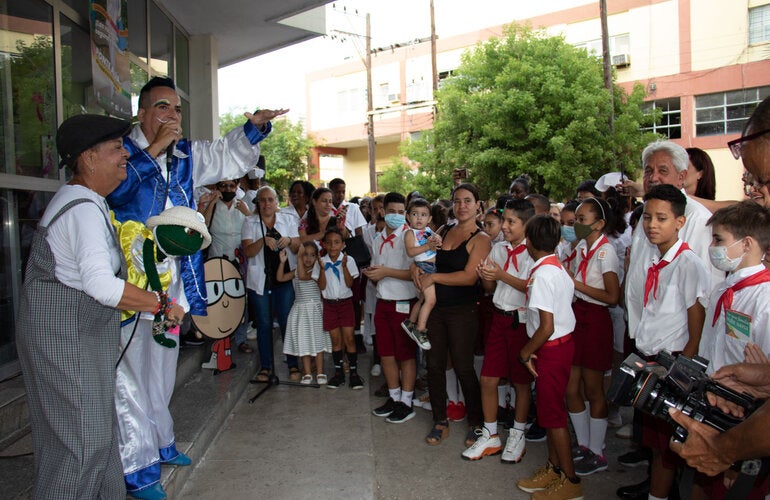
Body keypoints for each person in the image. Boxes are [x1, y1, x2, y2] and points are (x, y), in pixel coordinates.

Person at [105, 76, 286, 498]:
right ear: (142, 113)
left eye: (177, 109)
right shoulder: (121, 152)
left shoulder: (187, 154)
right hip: (131, 280)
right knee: (129, 376)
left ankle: (162, 440)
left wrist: (255, 127)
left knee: (163, 365)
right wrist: (151, 153)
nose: (172, 117)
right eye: (163, 107)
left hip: (174, 281)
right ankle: (137, 469)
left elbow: (225, 155)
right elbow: (116, 191)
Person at [16, 114, 183, 500]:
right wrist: (161, 304)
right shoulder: (81, 209)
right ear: (88, 159)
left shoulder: (88, 203)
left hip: (76, 340)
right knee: (82, 446)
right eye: (115, 148)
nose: (125, 154)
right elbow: (100, 285)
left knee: (98, 441)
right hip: (65, 343)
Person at [668, 95, 770, 474]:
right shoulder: (725, 288)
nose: (759, 193)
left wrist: (725, 449)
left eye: (762, 180)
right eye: (752, 181)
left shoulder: (763, 296)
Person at [633, 185, 711, 500]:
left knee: (671, 448)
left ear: (680, 222)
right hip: (655, 360)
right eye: (648, 217)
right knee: (658, 447)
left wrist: (678, 376)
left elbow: (696, 327)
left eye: (662, 218)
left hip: (674, 365)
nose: (652, 224)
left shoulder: (688, 263)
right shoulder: (659, 259)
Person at [688, 201, 770, 498]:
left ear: (746, 244)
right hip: (712, 401)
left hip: (746, 415)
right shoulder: (725, 288)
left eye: (719, 240)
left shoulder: (765, 299)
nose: (712, 247)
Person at [415, 183, 490, 447]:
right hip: (436, 309)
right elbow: (423, 255)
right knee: (433, 366)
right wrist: (419, 271)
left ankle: (477, 423)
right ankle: (440, 420)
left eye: (468, 200)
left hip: (463, 311)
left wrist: (433, 276)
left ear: (478, 205)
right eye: (457, 201)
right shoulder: (444, 229)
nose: (462, 206)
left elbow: (470, 277)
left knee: (463, 367)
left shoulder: (481, 239)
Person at [464, 199, 535, 463]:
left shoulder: (535, 252)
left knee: (521, 382)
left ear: (526, 224)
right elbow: (492, 289)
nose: (504, 227)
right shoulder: (499, 249)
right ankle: (491, 434)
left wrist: (500, 275)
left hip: (522, 322)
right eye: (503, 221)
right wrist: (485, 276)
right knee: (488, 379)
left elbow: (532, 287)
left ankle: (518, 433)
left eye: (511, 222)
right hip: (498, 318)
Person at [515, 215, 581, 499]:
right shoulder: (555, 267)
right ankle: (554, 469)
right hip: (557, 347)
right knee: (549, 412)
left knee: (553, 417)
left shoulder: (543, 274)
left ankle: (570, 481)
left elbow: (547, 326)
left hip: (551, 349)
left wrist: (525, 352)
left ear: (528, 241)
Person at [564, 197, 620, 476]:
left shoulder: (605, 251)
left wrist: (575, 283)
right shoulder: (581, 247)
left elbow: (612, 296)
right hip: (577, 315)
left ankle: (597, 450)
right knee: (571, 386)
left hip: (595, 319)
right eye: (576, 219)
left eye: (582, 220)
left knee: (594, 387)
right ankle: (583, 443)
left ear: (599, 224)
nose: (576, 225)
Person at [366, 192, 420, 423]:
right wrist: (373, 275)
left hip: (404, 303)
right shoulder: (378, 239)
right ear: (382, 211)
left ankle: (406, 401)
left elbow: (415, 274)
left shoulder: (409, 237)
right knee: (386, 354)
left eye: (401, 213)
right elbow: (376, 268)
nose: (396, 216)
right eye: (391, 212)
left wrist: (386, 272)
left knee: (405, 355)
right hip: (383, 303)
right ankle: (394, 396)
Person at [242, 185, 300, 382]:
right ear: (257, 203)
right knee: (264, 324)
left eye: (270, 200)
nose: (266, 203)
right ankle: (266, 367)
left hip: (283, 279)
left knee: (286, 321)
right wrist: (262, 241)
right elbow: (248, 252)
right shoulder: (250, 222)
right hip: (260, 281)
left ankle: (293, 364)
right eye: (262, 200)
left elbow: (298, 246)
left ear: (277, 202)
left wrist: (289, 240)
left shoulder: (288, 220)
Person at [200, 178, 253, 353]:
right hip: (218, 260)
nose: (228, 189)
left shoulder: (242, 206)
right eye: (224, 186)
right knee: (219, 299)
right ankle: (220, 339)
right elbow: (203, 225)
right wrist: (212, 203)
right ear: (218, 187)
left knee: (240, 300)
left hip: (240, 261)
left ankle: (240, 339)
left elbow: (255, 227)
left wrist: (248, 213)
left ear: (236, 187)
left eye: (232, 186)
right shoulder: (214, 205)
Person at [278, 243, 331, 385]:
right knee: (304, 342)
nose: (308, 258)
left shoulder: (315, 271)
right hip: (300, 311)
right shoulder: (297, 270)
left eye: (312, 255)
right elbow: (280, 278)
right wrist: (282, 263)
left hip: (314, 310)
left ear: (317, 257)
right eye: (305, 254)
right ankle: (307, 373)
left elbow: (303, 277)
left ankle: (320, 372)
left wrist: (299, 257)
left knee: (318, 342)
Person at [319, 227, 362, 389]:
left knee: (349, 338)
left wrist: (343, 267)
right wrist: (322, 270)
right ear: (324, 244)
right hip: (330, 305)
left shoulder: (349, 260)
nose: (332, 246)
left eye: (337, 242)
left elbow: (350, 283)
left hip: (345, 304)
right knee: (335, 340)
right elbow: (321, 286)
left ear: (343, 244)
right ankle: (338, 374)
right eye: (329, 243)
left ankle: (354, 373)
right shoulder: (321, 261)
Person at [401, 197, 440, 350]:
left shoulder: (428, 231)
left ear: (429, 218)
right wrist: (428, 246)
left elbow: (435, 245)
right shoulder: (410, 233)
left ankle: (410, 322)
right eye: (415, 214)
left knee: (423, 300)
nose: (419, 218)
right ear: (408, 216)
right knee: (431, 301)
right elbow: (411, 252)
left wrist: (437, 241)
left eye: (423, 215)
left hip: (432, 267)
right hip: (424, 267)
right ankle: (420, 329)